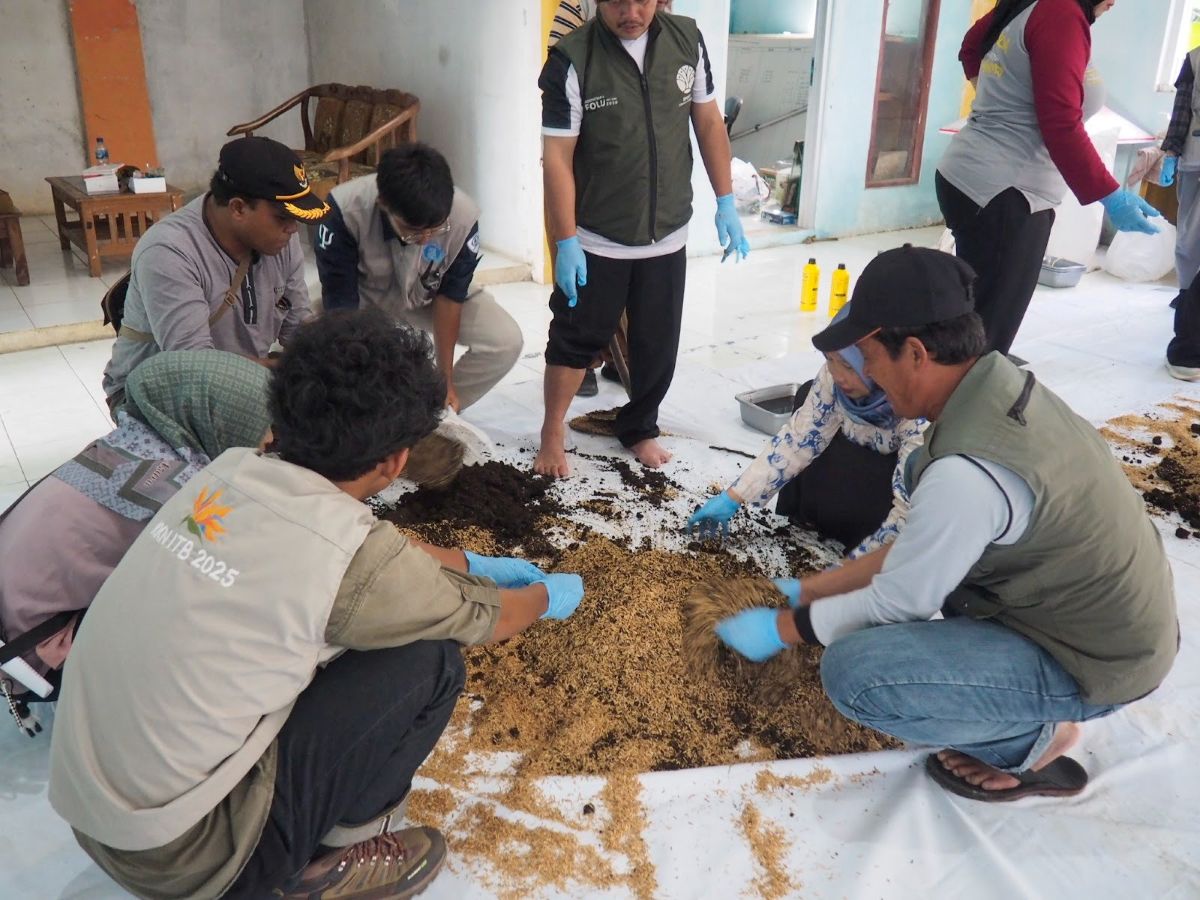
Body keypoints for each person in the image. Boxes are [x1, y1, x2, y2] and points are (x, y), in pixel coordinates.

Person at [48, 309, 585, 899]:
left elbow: (364, 548)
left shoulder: (225, 474)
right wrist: (545, 595)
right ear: (395, 462)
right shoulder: (353, 561)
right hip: (194, 857)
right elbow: (491, 617)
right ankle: (331, 863)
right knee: (429, 662)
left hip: (93, 814)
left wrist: (466, 561)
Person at [714, 247, 1179, 802]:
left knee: (856, 674)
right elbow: (920, 545)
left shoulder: (965, 470)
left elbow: (896, 602)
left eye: (870, 357)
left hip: (1095, 657)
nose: (870, 376)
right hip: (1076, 614)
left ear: (914, 352)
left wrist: (781, 629)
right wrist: (806, 589)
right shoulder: (995, 386)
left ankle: (1030, 743)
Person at [0, 351, 272, 735]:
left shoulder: (132, 444)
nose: (270, 439)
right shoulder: (179, 491)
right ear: (222, 417)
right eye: (263, 425)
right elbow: (207, 585)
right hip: (37, 650)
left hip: (12, 613)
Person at [536, 0, 750, 477]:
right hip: (598, 235)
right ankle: (553, 430)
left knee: (657, 344)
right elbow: (557, 157)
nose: (630, 11)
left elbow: (708, 121)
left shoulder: (686, 40)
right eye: (616, 1)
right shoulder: (572, 59)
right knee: (576, 338)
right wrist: (566, 239)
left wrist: (726, 200)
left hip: (667, 232)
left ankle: (639, 426)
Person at [936, 0, 1160, 357]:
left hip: (971, 177)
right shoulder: (1062, 13)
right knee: (988, 331)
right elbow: (1060, 122)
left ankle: (956, 386)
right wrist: (1110, 194)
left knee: (974, 314)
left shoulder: (1033, 4)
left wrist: (1000, 105)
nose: (1114, 2)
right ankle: (967, 398)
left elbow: (971, 47)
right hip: (1006, 191)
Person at [101, 136, 328, 411]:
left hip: (239, 375)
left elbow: (297, 330)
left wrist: (329, 359)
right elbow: (196, 368)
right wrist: (284, 369)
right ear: (238, 208)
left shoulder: (281, 238)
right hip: (154, 392)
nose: (293, 229)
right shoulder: (169, 251)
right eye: (283, 217)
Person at [687, 303, 925, 557]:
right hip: (853, 451)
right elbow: (801, 437)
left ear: (875, 360)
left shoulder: (917, 409)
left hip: (888, 480)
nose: (838, 374)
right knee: (806, 394)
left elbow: (906, 512)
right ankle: (806, 517)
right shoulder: (833, 378)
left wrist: (840, 579)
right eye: (831, 360)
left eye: (848, 365)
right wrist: (734, 496)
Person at [315, 143, 523, 412]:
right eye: (413, 231)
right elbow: (341, 308)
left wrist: (444, 381)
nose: (425, 239)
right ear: (383, 205)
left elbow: (451, 297)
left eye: (436, 229)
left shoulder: (463, 215)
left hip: (428, 295)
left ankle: (431, 414)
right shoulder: (343, 210)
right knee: (299, 334)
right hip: (363, 295)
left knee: (504, 340)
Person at [1158, 49, 1200, 380]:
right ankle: (1187, 309)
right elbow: (1182, 111)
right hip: (1196, 163)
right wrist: (1171, 148)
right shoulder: (1196, 59)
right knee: (1189, 243)